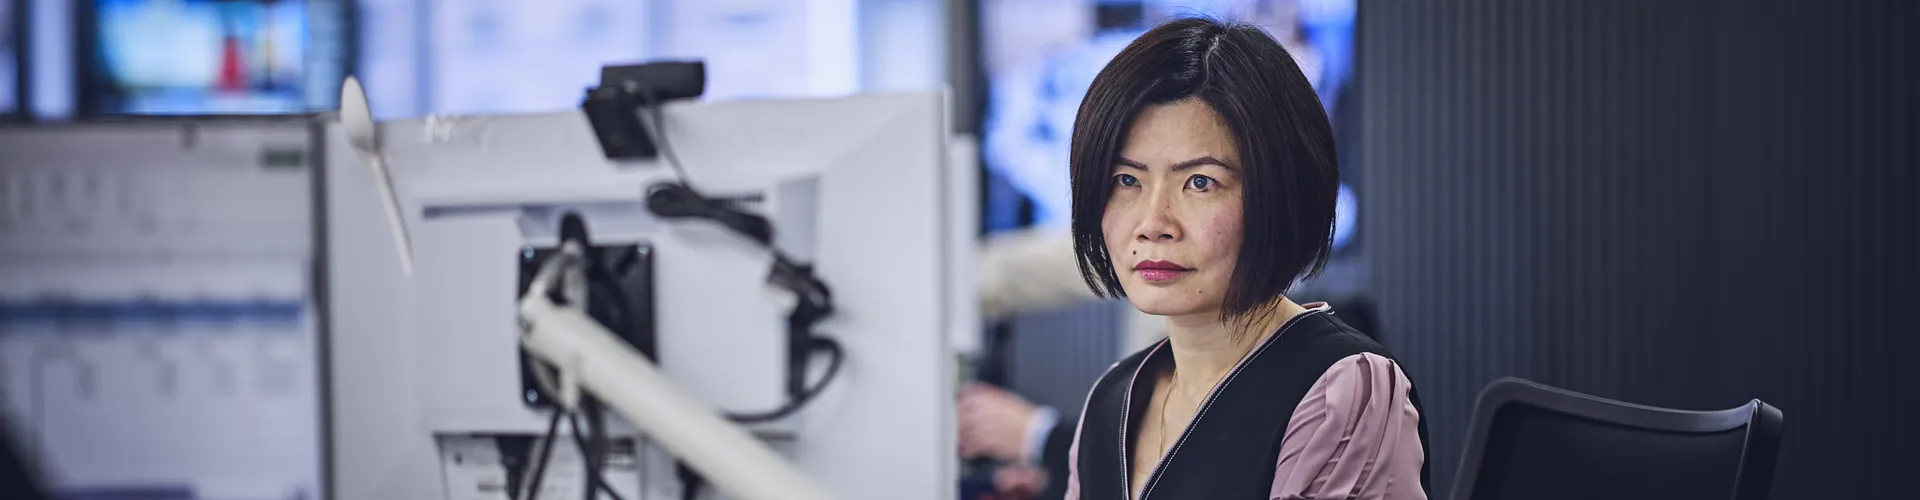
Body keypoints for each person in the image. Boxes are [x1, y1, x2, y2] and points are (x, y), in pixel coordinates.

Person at [1061, 17, 1428, 500]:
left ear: (1278, 193)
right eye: (1127, 180)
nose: (1153, 222)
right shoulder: (1111, 402)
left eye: (1200, 182)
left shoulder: (1341, 389)